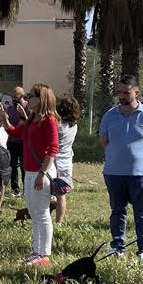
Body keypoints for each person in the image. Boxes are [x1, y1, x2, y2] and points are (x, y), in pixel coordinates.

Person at [98, 76, 143, 263]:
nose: (122, 96)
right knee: (117, 211)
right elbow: (103, 141)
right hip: (114, 173)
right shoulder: (110, 115)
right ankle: (117, 246)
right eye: (119, 92)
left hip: (141, 174)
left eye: (126, 92)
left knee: (142, 213)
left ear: (136, 93)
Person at [7, 82, 59, 267]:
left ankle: (44, 254)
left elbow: (53, 148)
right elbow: (15, 132)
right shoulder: (31, 119)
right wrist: (3, 118)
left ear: (41, 98)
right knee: (34, 214)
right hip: (30, 172)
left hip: (41, 172)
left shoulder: (49, 120)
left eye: (31, 95)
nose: (27, 97)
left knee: (43, 214)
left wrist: (42, 173)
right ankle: (36, 251)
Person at [53, 96, 80, 224]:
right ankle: (59, 222)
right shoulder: (73, 126)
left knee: (47, 195)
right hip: (67, 163)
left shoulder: (58, 127)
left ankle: (47, 218)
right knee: (61, 196)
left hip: (54, 163)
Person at [5, 86, 26, 196]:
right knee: (12, 166)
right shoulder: (10, 108)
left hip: (23, 141)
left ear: (21, 96)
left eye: (15, 96)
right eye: (12, 96)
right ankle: (15, 189)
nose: (13, 98)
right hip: (12, 141)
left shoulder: (27, 107)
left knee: (23, 166)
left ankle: (26, 190)